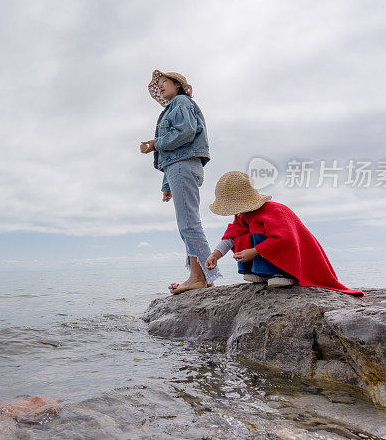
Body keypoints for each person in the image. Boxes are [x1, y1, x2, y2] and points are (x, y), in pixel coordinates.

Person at [204, 171, 363, 296]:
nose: (235, 212)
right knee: (242, 235)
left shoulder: (274, 211)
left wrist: (253, 252)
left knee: (259, 232)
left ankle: (283, 274)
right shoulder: (242, 215)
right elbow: (232, 236)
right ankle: (260, 273)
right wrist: (215, 255)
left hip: (289, 255)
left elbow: (284, 240)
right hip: (263, 254)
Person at [140, 69, 220, 294]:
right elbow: (174, 153)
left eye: (166, 82)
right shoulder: (174, 106)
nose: (162, 86)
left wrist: (156, 143)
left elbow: (186, 132)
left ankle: (201, 276)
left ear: (178, 85)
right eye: (160, 84)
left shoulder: (181, 102)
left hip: (183, 165)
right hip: (179, 166)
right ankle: (199, 276)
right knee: (186, 224)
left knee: (189, 224)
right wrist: (166, 185)